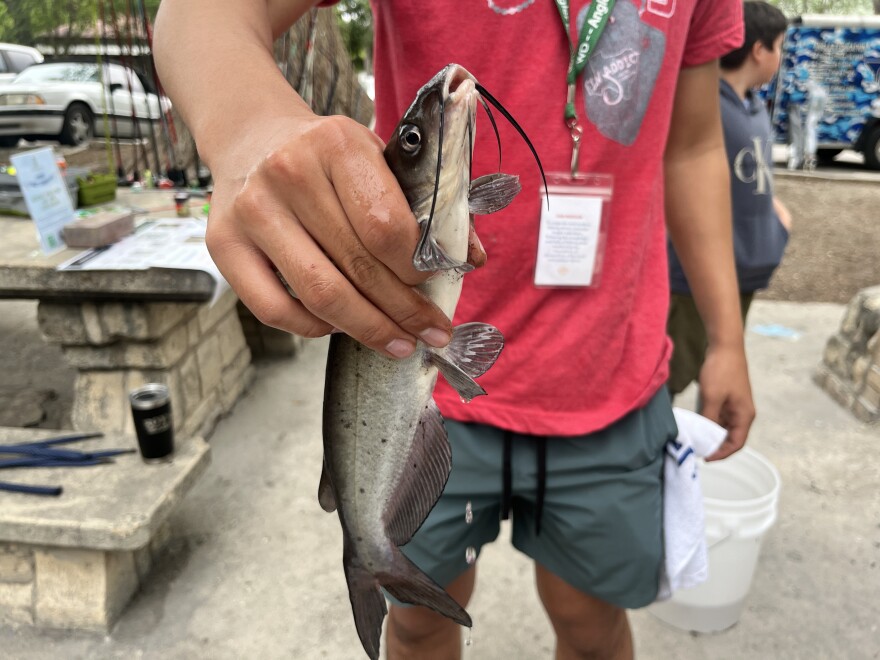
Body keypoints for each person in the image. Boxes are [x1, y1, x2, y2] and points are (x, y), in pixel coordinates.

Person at [154, 1, 756, 658]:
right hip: (419, 388)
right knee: (415, 622)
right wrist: (247, 127)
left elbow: (693, 145)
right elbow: (197, 14)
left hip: (610, 371)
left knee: (592, 624)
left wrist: (728, 339)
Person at [668, 0, 792, 400]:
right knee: (675, 372)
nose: (781, 56)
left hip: (748, 271)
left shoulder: (753, 105)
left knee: (720, 378)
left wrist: (776, 219)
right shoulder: (707, 106)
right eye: (780, 46)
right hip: (692, 279)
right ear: (759, 50)